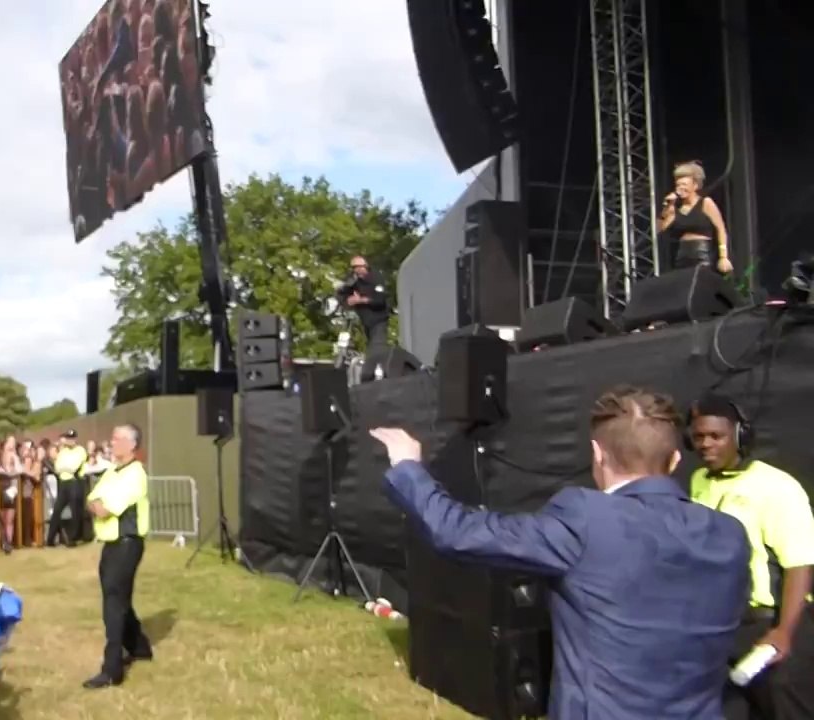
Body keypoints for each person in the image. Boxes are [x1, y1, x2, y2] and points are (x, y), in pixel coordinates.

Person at [371, 386, 751, 719]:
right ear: (674, 461)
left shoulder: (586, 519)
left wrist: (408, 467)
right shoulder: (730, 536)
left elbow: (458, 532)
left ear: (597, 455)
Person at [687, 394, 814, 720]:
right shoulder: (699, 482)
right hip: (725, 625)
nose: (705, 445)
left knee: (784, 705)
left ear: (740, 436)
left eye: (716, 436)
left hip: (772, 622)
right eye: (699, 437)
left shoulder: (776, 487)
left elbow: (799, 563)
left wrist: (784, 630)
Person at [82, 423, 153, 689]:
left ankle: (112, 669)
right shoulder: (112, 471)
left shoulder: (136, 474)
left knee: (113, 602)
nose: (112, 443)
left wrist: (99, 505)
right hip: (111, 543)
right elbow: (92, 499)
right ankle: (140, 647)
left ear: (132, 445)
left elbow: (105, 508)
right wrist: (98, 504)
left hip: (127, 543)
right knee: (118, 598)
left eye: (118, 439)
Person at [659, 160, 733, 274]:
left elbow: (721, 229)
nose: (680, 188)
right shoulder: (675, 208)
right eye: (678, 185)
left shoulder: (706, 203)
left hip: (702, 253)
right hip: (682, 255)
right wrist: (667, 206)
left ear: (695, 185)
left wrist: (723, 256)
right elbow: (660, 228)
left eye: (684, 185)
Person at [336, 255, 392, 381]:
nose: (356, 270)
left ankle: (376, 376)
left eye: (359, 267)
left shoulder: (376, 278)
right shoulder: (354, 282)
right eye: (353, 268)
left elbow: (380, 301)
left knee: (377, 349)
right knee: (369, 348)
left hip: (379, 320)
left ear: (365, 266)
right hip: (366, 322)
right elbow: (342, 294)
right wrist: (348, 300)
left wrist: (361, 300)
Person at [48, 429, 89, 547]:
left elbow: (73, 467)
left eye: (71, 438)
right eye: (68, 438)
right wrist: (65, 466)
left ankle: (73, 538)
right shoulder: (63, 451)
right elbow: (57, 467)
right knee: (57, 510)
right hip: (64, 483)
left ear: (75, 439)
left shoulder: (80, 451)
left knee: (75, 511)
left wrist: (65, 466)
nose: (69, 441)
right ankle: (50, 539)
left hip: (74, 482)